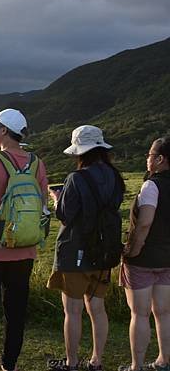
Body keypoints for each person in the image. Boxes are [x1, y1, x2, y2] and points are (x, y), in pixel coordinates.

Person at [0, 108, 48, 371]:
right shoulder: (37, 163)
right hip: (24, 250)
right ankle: (10, 363)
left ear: (3, 130)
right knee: (15, 312)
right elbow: (43, 204)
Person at [47, 125, 125, 371]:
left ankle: (71, 362)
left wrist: (56, 199)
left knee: (72, 310)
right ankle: (96, 361)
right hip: (104, 251)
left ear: (80, 152)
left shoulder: (76, 179)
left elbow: (66, 216)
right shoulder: (115, 178)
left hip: (75, 252)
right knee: (98, 308)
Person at [119, 137, 170, 371]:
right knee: (164, 312)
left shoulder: (152, 185)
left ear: (160, 159)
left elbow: (145, 222)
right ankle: (163, 361)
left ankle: (136, 366)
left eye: (150, 155)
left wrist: (133, 249)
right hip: (167, 259)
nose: (146, 158)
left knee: (139, 314)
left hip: (144, 259)